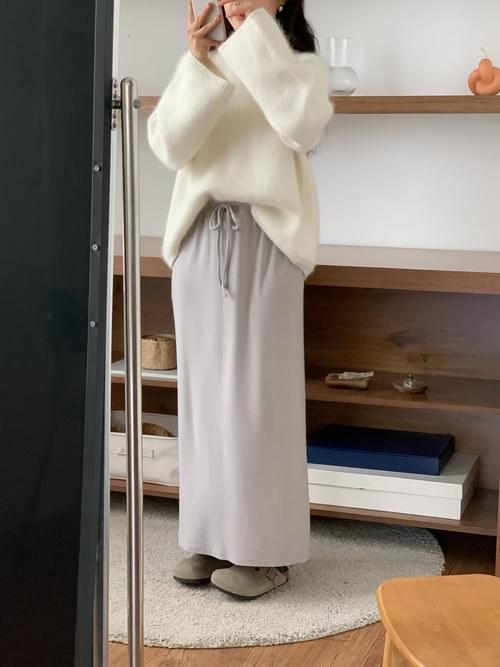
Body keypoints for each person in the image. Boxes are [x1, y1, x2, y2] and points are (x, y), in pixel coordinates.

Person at [147, 0, 333, 600]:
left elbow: (302, 125)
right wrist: (199, 62)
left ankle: (266, 553)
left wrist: (256, 32)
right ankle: (209, 537)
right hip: (201, 237)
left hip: (266, 238)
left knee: (259, 400)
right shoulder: (209, 60)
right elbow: (168, 145)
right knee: (204, 399)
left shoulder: (298, 62)